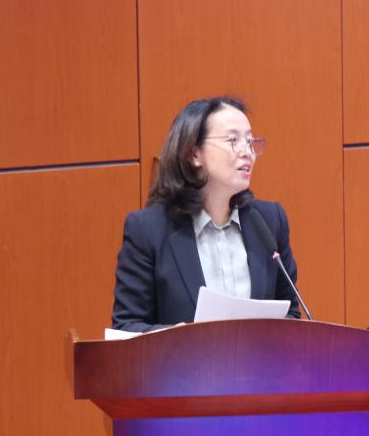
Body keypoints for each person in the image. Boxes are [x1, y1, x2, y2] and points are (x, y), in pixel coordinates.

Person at [111, 97, 301, 332]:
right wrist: (177, 337)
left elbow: (291, 313)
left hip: (257, 358)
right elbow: (127, 326)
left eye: (250, 142)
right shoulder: (148, 230)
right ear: (194, 154)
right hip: (181, 357)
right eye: (233, 140)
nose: (248, 153)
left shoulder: (269, 221)